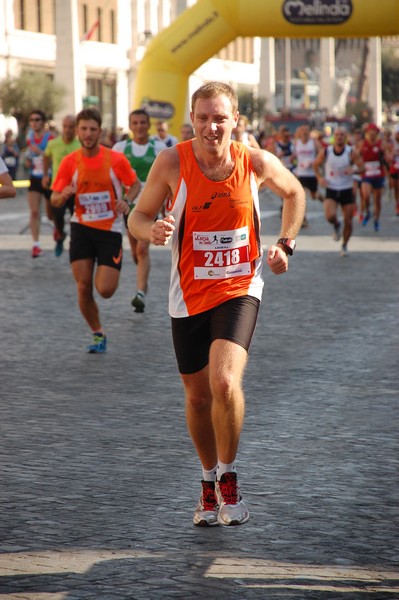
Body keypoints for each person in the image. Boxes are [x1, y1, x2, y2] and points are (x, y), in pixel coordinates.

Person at [129, 81, 305, 527]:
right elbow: (138, 214)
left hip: (239, 287)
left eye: (220, 117)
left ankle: (229, 476)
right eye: (203, 118)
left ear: (235, 121)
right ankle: (207, 482)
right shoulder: (172, 162)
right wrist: (149, 231)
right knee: (197, 396)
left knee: (225, 382)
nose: (211, 126)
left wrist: (285, 244)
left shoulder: (255, 162)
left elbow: (295, 193)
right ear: (192, 119)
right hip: (187, 293)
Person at [51, 108, 141, 353]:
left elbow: (134, 184)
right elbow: (54, 199)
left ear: (100, 132)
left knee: (106, 290)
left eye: (93, 129)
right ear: (77, 131)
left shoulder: (115, 160)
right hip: (81, 227)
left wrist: (127, 200)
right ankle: (97, 333)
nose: (88, 134)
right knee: (83, 286)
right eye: (84, 129)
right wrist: (64, 195)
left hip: (109, 230)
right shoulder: (70, 162)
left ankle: (100, 325)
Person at [113, 110, 166, 312]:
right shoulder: (120, 148)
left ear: (148, 124)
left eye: (143, 122)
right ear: (130, 125)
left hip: (151, 203)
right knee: (136, 252)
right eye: (135, 122)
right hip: (129, 203)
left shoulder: (159, 148)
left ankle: (140, 293)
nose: (140, 126)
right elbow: (113, 175)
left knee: (143, 249)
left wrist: (165, 202)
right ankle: (142, 279)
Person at [313, 127, 357, 257]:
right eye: (337, 135)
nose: (339, 137)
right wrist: (320, 178)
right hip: (331, 188)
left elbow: (362, 167)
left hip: (347, 189)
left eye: (342, 135)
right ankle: (337, 225)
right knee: (329, 216)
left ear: (346, 137)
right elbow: (315, 165)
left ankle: (344, 245)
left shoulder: (351, 152)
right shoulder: (326, 152)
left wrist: (353, 169)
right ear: (334, 137)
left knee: (348, 221)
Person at [42, 115, 81, 256]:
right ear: (62, 127)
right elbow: (46, 157)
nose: (68, 130)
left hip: (76, 189)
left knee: (75, 219)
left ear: (76, 129)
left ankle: (75, 244)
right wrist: (45, 175)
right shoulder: (53, 144)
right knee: (56, 217)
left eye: (71, 127)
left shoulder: (80, 145)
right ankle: (60, 235)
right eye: (65, 127)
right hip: (58, 187)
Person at [24, 110, 56, 257]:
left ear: (43, 122)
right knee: (34, 211)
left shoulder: (51, 138)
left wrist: (41, 154)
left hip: (49, 177)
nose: (34, 122)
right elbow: (27, 158)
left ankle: (58, 228)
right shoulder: (29, 139)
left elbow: (56, 158)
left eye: (37, 119)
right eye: (32, 120)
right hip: (35, 177)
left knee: (51, 214)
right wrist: (28, 161)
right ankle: (35, 244)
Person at [357, 123, 388, 231]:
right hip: (366, 174)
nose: (372, 135)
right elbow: (356, 156)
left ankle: (376, 219)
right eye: (370, 133)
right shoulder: (362, 144)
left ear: (377, 134)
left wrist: (384, 156)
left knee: (377, 200)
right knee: (365, 195)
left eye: (374, 133)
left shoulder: (381, 144)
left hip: (378, 174)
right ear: (367, 133)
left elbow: (387, 158)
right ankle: (367, 212)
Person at [387, 123, 399, 216]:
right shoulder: (391, 143)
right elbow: (388, 157)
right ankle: (397, 203)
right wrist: (392, 155)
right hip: (394, 168)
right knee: (396, 187)